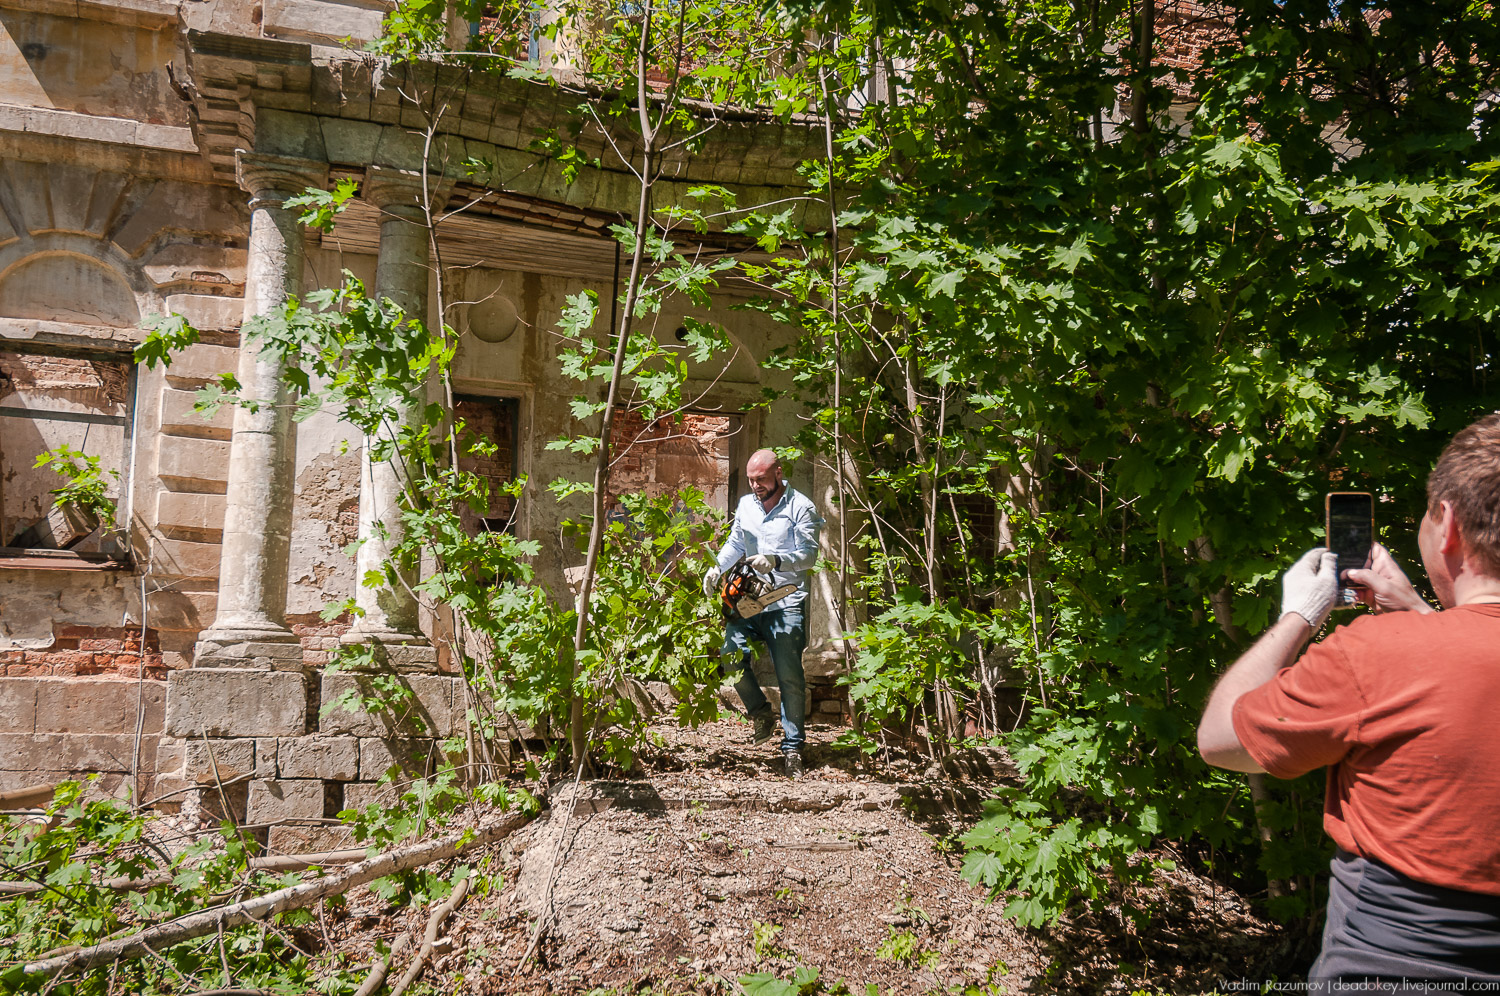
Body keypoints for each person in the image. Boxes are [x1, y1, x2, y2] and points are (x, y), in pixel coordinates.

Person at [1197, 413, 1500, 990]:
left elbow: (1221, 739)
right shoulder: (1408, 640)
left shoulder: (1379, 654)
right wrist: (1422, 615)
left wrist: (1299, 616)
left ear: (1450, 525)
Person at [704, 448, 824, 777]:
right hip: (750, 596)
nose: (756, 486)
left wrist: (776, 560)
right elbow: (737, 543)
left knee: (789, 676)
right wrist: (717, 568)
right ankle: (760, 712)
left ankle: (793, 748)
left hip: (786, 599)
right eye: (751, 481)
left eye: (761, 479)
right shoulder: (746, 505)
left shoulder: (801, 507)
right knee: (730, 656)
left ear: (778, 474)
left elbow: (810, 556)